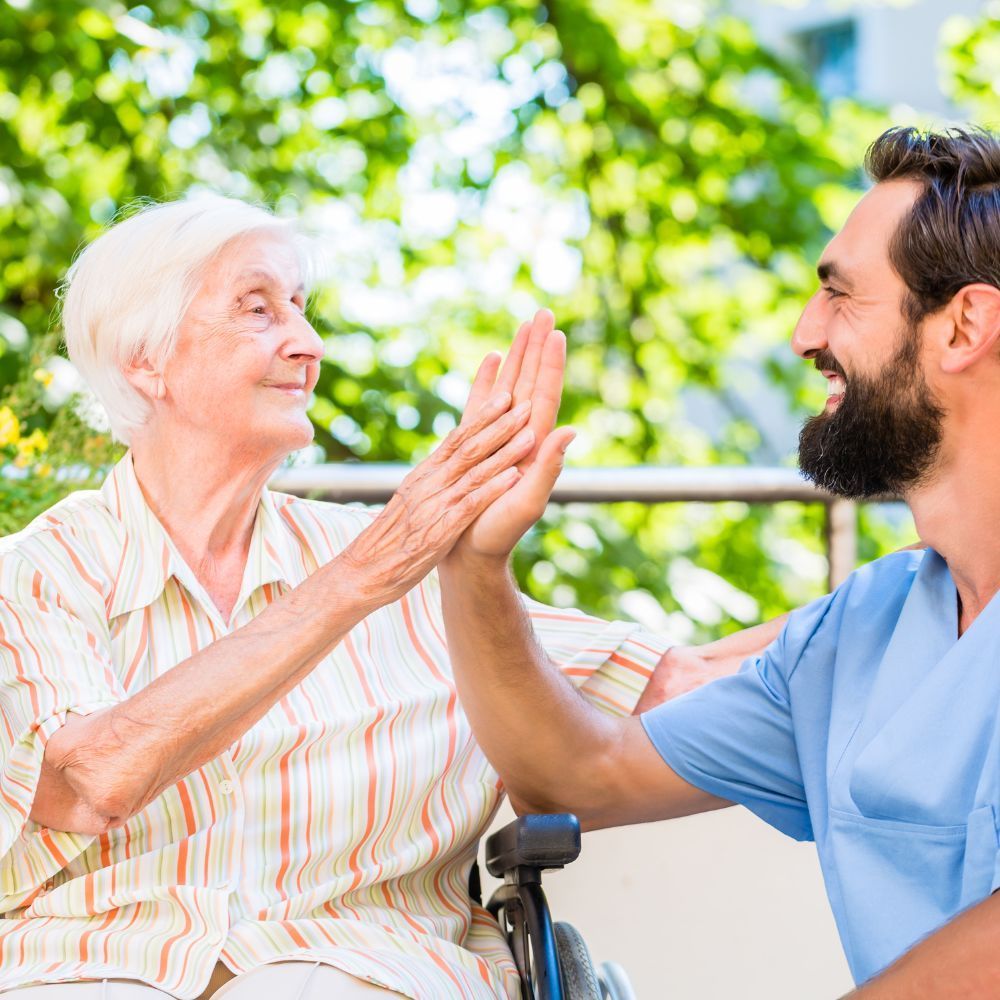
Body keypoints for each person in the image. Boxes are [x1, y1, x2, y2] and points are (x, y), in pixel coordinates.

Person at [0, 198, 751, 999]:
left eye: (300, 307)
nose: (307, 343)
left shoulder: (419, 566)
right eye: (258, 310)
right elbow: (90, 781)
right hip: (89, 966)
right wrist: (361, 579)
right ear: (145, 360)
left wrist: (893, 590)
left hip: (352, 964)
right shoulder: (38, 575)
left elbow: (671, 682)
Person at [438, 125, 1000, 999]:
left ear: (964, 324)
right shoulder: (864, 629)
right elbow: (576, 777)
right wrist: (475, 567)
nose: (802, 333)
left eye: (841, 297)